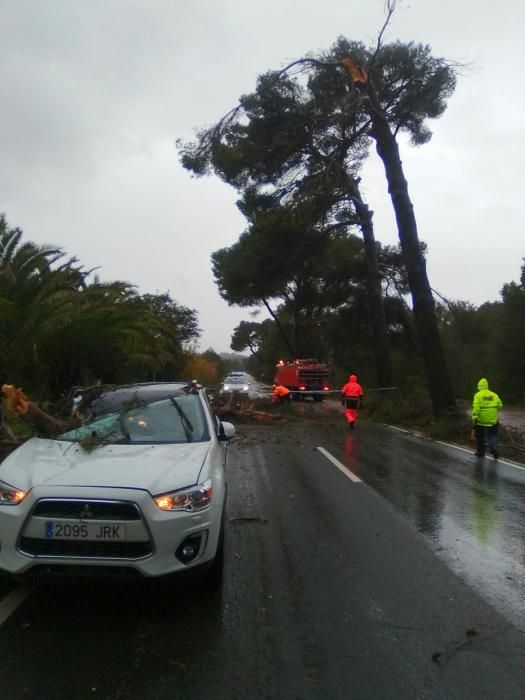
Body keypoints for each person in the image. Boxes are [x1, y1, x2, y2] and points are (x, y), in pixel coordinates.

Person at [472, 377, 503, 459]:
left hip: (480, 420)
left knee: (480, 437)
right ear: (487, 386)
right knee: (493, 435)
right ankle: (494, 448)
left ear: (479, 386)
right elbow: (500, 405)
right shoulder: (494, 395)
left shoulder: (477, 395)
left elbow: (476, 407)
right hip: (492, 420)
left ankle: (481, 453)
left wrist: (474, 417)